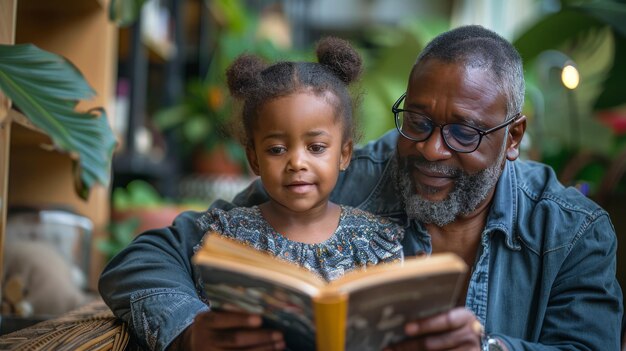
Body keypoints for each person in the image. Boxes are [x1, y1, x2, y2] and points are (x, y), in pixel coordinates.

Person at [99, 25, 623, 351]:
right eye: (416, 121)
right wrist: (188, 330)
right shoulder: (343, 175)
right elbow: (147, 258)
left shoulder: (573, 230)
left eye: (464, 132)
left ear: (513, 138)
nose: (432, 150)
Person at [99, 37, 405, 351]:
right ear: (254, 159)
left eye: (316, 148)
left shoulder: (376, 240)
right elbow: (136, 268)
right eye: (276, 149)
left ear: (344, 154)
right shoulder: (222, 235)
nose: (297, 162)